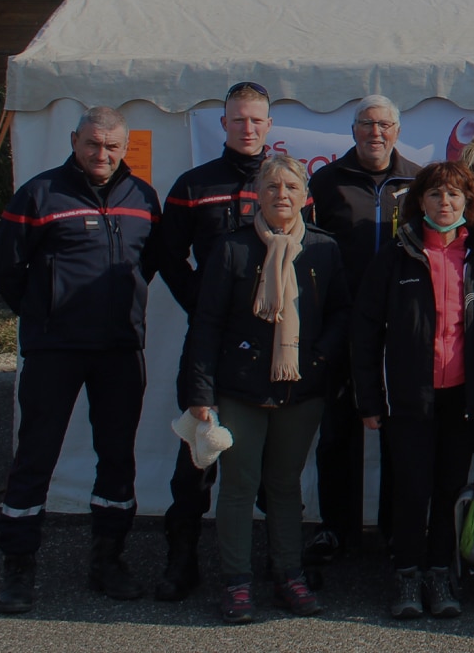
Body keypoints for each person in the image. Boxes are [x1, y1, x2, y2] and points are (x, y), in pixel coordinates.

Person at [0, 106, 162, 613]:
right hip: (55, 350)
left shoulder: (143, 197)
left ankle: (108, 559)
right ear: (74, 139)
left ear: (125, 146)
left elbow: (146, 263)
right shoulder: (39, 194)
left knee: (117, 456)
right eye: (93, 144)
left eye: (112, 146)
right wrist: (47, 314)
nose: (102, 155)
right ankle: (17, 566)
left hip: (119, 349)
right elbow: (7, 268)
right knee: (36, 455)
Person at [179, 155, 349, 623]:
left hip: (302, 388)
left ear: (305, 196)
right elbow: (207, 322)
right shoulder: (232, 248)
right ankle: (236, 582)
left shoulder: (323, 248)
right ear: (258, 193)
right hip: (240, 386)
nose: (281, 195)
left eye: (291, 187)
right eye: (272, 187)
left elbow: (341, 313)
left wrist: (318, 359)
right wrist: (201, 391)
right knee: (238, 484)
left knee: (284, 484)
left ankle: (288, 574)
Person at [351, 161, 474, 620]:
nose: (445, 202)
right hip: (409, 398)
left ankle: (440, 572)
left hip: (463, 398)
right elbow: (364, 330)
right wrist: (370, 399)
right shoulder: (396, 255)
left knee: (450, 488)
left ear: (468, 202)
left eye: (455, 195)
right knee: (413, 489)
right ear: (421, 201)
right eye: (436, 194)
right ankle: (407, 575)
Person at [154, 82, 270, 602]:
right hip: (209, 341)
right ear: (223, 124)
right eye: (239, 120)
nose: (248, 129)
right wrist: (201, 304)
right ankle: (181, 561)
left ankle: (272, 562)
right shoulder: (192, 185)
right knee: (196, 457)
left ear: (269, 126)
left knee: (267, 459)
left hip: (269, 342)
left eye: (257, 121)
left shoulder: (286, 184)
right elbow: (167, 255)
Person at [304, 94, 422, 566]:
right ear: (353, 130)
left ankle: (395, 531)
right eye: (367, 124)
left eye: (385, 125)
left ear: (397, 130)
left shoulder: (417, 180)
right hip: (341, 324)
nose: (376, 133)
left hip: (399, 329)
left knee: (397, 434)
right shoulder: (326, 181)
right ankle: (337, 530)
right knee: (337, 434)